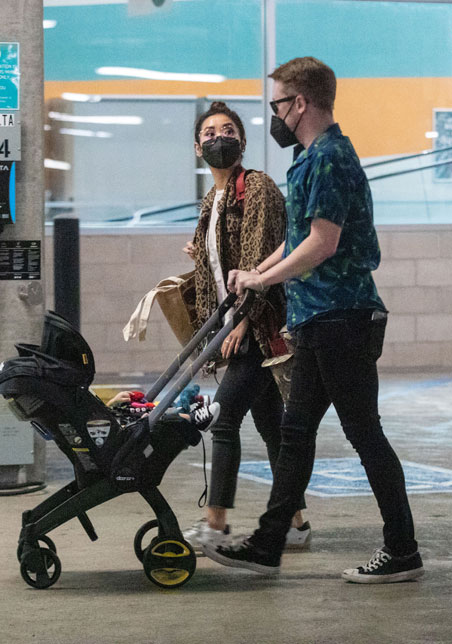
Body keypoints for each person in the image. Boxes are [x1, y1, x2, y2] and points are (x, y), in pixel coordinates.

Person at [203, 58, 423, 584]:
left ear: (299, 104)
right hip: (318, 318)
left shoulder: (329, 159)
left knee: (363, 434)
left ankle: (403, 551)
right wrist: (257, 270)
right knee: (296, 431)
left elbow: (323, 244)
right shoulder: (310, 158)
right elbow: (302, 236)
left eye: (278, 104)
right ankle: (268, 543)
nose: (275, 115)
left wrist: (264, 281)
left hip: (340, 317)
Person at [181, 101, 310, 552]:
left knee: (223, 418)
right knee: (271, 426)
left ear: (242, 141)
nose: (220, 137)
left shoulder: (256, 188)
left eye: (228, 129)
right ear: (198, 147)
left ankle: (215, 523)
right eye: (211, 132)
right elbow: (213, 270)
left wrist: (241, 322)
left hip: (258, 327)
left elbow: (258, 260)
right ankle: (295, 522)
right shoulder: (210, 201)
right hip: (233, 326)